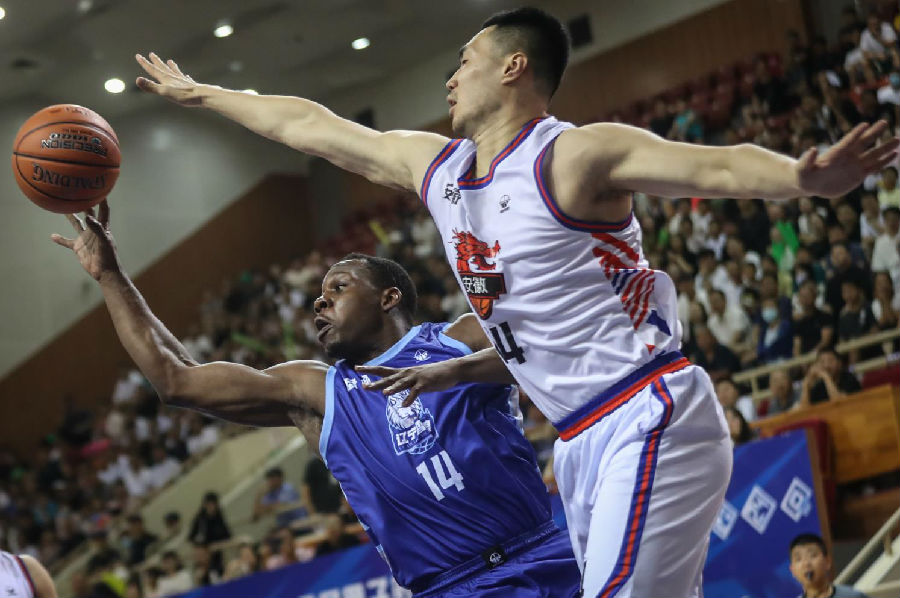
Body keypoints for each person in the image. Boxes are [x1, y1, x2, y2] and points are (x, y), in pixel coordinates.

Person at [135, 7, 897, 594]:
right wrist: (204, 93)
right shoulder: (441, 173)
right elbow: (314, 128)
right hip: (578, 442)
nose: (450, 77)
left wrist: (803, 179)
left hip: (648, 410)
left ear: (513, 67)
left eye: (465, 60)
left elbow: (713, 166)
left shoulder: (572, 156)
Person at [50, 203, 580, 598]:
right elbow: (177, 380)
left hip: (546, 555)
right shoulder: (315, 390)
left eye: (338, 289)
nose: (319, 303)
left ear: (389, 297)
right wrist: (111, 277)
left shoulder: (459, 339)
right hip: (449, 587)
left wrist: (458, 370)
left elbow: (556, 340)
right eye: (318, 296)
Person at [789, 533, 869, 598]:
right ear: (793, 570)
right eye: (798, 559)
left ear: (827, 562)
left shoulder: (852, 596)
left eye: (813, 555)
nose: (806, 563)